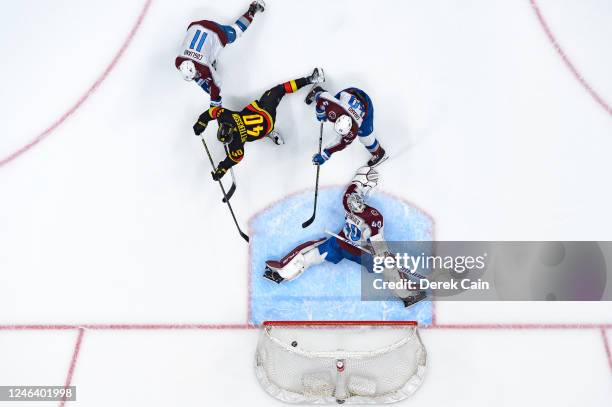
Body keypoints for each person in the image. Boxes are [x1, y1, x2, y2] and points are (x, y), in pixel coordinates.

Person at [263, 167, 425, 307]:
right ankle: (406, 295)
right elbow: (379, 246)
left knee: (311, 255)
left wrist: (362, 179)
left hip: (339, 244)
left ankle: (281, 273)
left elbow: (354, 187)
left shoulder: (347, 200)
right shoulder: (374, 217)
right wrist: (385, 257)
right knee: (389, 266)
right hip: (358, 251)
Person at [193, 68, 325, 180]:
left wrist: (222, 168)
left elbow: (236, 158)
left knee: (256, 133)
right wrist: (202, 121)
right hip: (264, 112)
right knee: (279, 90)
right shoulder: (225, 116)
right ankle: (311, 79)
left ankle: (270, 132)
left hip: (264, 124)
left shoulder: (235, 144)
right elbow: (213, 112)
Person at [175, 1, 266, 107]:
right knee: (205, 70)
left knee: (236, 32)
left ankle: (253, 8)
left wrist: (215, 102)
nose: (196, 76)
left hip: (215, 30)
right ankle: (212, 61)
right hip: (195, 26)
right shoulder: (178, 61)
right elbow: (197, 75)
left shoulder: (202, 67)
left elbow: (217, 84)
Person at [305, 86, 387, 167]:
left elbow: (341, 143)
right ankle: (317, 93)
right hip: (351, 93)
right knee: (329, 103)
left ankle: (379, 153)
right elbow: (323, 99)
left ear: (350, 129)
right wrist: (321, 112)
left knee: (365, 138)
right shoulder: (335, 108)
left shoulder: (353, 130)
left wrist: (326, 154)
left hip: (366, 105)